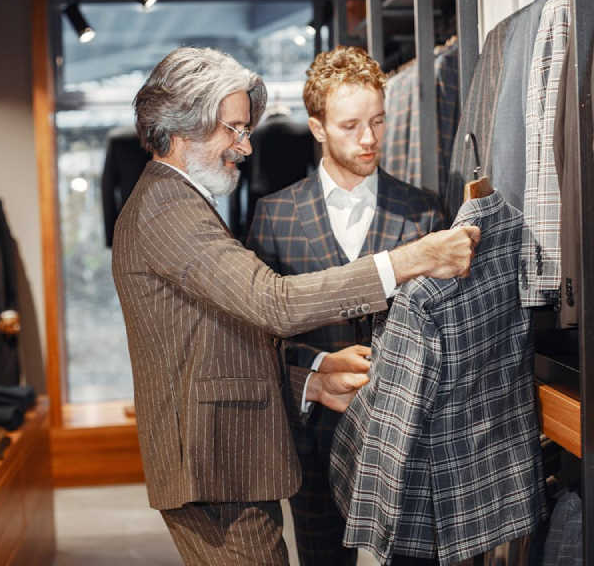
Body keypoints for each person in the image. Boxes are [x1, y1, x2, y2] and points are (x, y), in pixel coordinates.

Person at [111, 46, 480, 566]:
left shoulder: (180, 201)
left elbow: (218, 344)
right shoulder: (168, 208)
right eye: (233, 129)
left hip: (233, 461)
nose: (244, 147)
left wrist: (313, 377)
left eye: (245, 130)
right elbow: (272, 303)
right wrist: (405, 261)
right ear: (182, 126)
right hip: (214, 465)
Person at [245, 45, 446, 566]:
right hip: (314, 438)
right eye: (351, 124)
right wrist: (314, 368)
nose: (369, 139)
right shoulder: (275, 216)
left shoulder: (424, 212)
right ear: (317, 128)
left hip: (408, 445)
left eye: (378, 121)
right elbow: (256, 337)